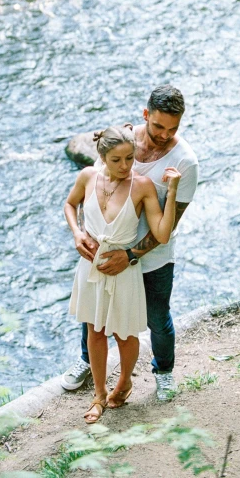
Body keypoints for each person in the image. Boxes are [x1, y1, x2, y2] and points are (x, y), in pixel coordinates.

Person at [62, 85, 198, 401]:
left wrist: (131, 255)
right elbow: (94, 191)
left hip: (153, 257)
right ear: (145, 115)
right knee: (94, 315)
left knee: (156, 318)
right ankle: (88, 363)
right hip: (108, 253)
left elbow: (171, 222)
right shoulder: (121, 143)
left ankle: (163, 373)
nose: (164, 135)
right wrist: (81, 232)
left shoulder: (186, 162)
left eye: (173, 129)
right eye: (158, 127)